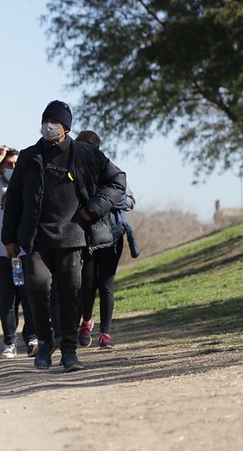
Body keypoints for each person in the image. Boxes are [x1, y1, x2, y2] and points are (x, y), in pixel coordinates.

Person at [2, 100, 126, 372]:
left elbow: (118, 180)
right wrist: (9, 237)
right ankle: (46, 343)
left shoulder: (85, 154)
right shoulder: (28, 156)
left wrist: (93, 209)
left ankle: (69, 351)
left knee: (70, 295)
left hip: (73, 237)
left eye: (54, 122)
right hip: (36, 238)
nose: (49, 126)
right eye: (46, 120)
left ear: (66, 128)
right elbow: (13, 201)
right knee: (36, 287)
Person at [75, 130, 140, 350]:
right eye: (87, 146)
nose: (92, 151)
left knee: (107, 284)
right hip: (86, 236)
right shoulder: (74, 172)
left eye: (95, 147)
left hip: (113, 235)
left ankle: (106, 333)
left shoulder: (111, 170)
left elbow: (130, 200)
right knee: (87, 283)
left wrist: (105, 202)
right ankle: (86, 321)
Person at [0, 145, 38, 359]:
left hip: (26, 250)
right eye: (8, 165)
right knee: (7, 299)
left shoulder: (29, 185)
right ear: (2, 168)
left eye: (16, 164)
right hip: (0, 252)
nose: (13, 168)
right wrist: (0, 157)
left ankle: (32, 338)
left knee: (30, 296)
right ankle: (9, 342)